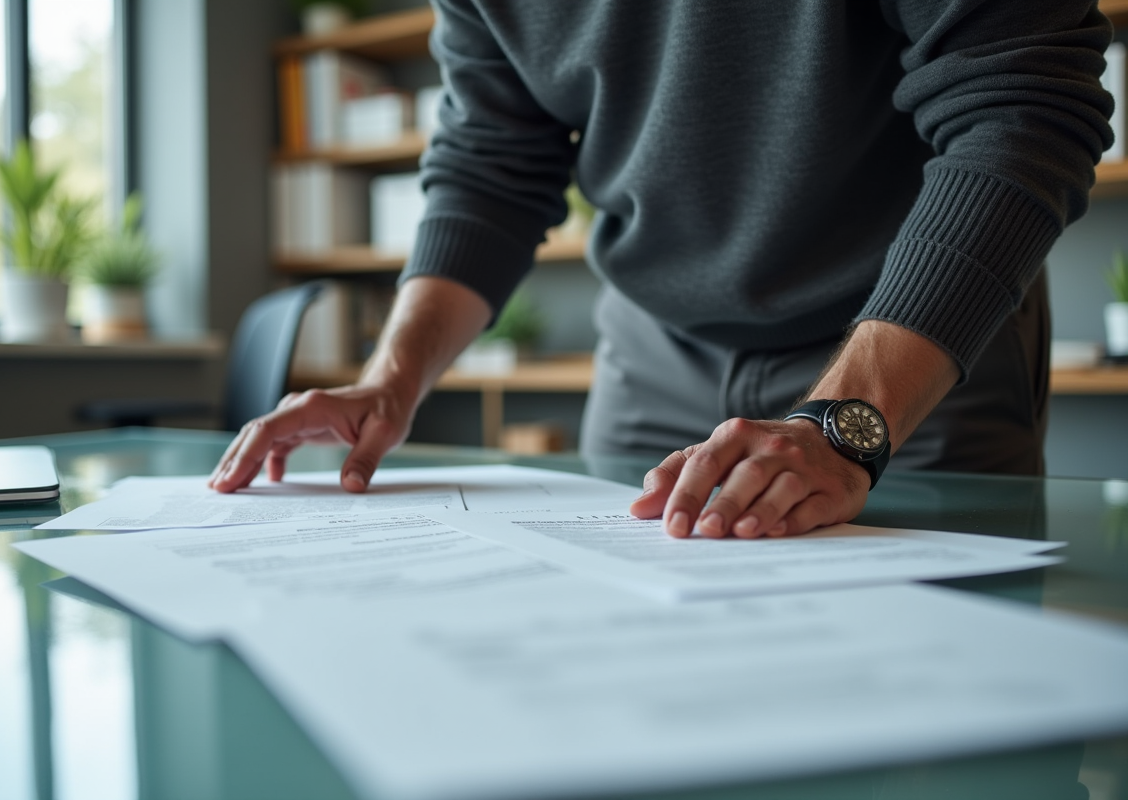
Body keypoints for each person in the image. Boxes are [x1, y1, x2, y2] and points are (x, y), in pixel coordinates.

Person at [212, 0, 1115, 540]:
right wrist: (390, 378)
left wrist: (843, 427)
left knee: (940, 721)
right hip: (652, 347)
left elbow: (1023, 101)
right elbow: (491, 165)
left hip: (906, 341)